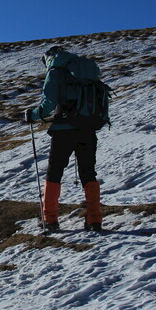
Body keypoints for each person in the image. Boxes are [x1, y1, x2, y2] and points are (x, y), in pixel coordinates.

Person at [25, 46, 107, 233]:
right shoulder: (86, 71)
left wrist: (33, 115)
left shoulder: (56, 72)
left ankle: (50, 219)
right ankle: (94, 219)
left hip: (64, 130)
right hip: (87, 129)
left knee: (55, 171)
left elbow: (48, 104)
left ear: (49, 59)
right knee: (88, 172)